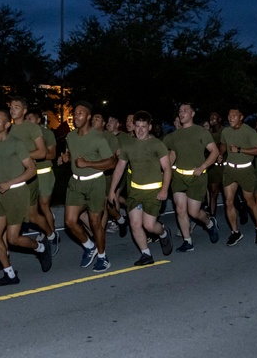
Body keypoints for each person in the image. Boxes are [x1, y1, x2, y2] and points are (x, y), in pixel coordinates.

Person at [0, 110, 52, 285]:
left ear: (7, 125)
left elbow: (31, 170)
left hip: (18, 193)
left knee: (13, 239)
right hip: (0, 194)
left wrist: (10, 183)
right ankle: (10, 274)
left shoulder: (17, 144)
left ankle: (40, 248)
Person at [109, 111, 173, 265]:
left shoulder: (157, 144)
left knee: (149, 226)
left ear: (149, 127)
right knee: (135, 224)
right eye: (137, 126)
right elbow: (119, 168)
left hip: (153, 192)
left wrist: (164, 189)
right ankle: (146, 254)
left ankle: (164, 233)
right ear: (134, 127)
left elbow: (167, 168)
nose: (140, 130)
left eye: (144, 126)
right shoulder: (128, 145)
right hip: (135, 192)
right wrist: (112, 190)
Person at [62, 101, 117, 272]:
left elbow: (112, 162)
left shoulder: (97, 137)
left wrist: (87, 163)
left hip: (95, 183)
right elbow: (72, 155)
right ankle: (89, 246)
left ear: (88, 117)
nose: (76, 116)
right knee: (70, 221)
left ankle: (102, 257)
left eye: (80, 113)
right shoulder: (70, 137)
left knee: (95, 223)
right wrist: (65, 159)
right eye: (75, 113)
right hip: (75, 183)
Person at [164, 103, 220, 252]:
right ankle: (187, 241)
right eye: (180, 111)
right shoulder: (174, 135)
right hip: (179, 177)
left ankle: (209, 224)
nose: (182, 113)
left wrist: (202, 167)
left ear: (192, 114)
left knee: (193, 212)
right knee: (180, 209)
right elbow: (173, 154)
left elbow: (214, 152)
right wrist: (165, 171)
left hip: (197, 177)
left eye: (185, 111)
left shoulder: (201, 131)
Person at [7, 97, 57, 245]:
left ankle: (51, 235)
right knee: (23, 212)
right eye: (11, 107)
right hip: (15, 177)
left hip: (39, 174)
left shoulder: (36, 130)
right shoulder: (8, 129)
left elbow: (44, 153)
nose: (12, 109)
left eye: (16, 107)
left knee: (42, 207)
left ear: (24, 110)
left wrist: (20, 156)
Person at [218, 109, 257, 246]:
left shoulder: (249, 131)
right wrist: (220, 154)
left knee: (250, 202)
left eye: (234, 116)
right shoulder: (226, 131)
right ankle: (235, 232)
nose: (231, 118)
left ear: (241, 117)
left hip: (246, 170)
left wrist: (239, 149)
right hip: (230, 169)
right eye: (229, 116)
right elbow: (223, 145)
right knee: (229, 201)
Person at [28, 109, 61, 252]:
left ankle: (52, 235)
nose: (27, 121)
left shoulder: (47, 134)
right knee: (32, 208)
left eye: (31, 118)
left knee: (44, 205)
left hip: (45, 174)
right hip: (30, 176)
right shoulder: (25, 135)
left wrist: (31, 155)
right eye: (26, 118)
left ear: (38, 120)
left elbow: (52, 155)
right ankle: (45, 229)